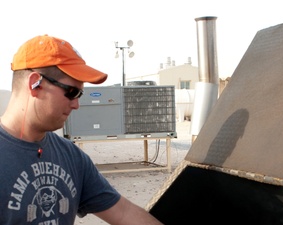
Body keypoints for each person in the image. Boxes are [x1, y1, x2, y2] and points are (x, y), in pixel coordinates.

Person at [0, 34, 164, 225]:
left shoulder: (71, 156)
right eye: (72, 93)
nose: (77, 104)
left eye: (81, 94)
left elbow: (123, 212)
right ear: (35, 84)